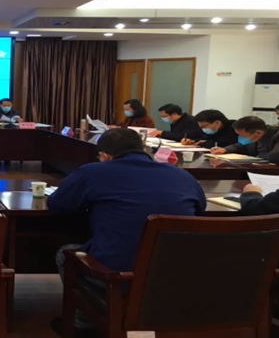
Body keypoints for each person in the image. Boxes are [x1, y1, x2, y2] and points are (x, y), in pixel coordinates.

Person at [47, 128, 205, 335]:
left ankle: (84, 324)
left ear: (104, 155)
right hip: (177, 272)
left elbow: (57, 205)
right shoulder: (182, 175)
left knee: (66, 253)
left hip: (120, 274)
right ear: (143, 148)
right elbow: (200, 209)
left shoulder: (93, 172)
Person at [211, 116, 279, 163]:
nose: (241, 137)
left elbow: (275, 157)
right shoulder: (256, 136)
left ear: (258, 133)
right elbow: (241, 146)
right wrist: (225, 149)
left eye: (242, 135)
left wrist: (252, 158)